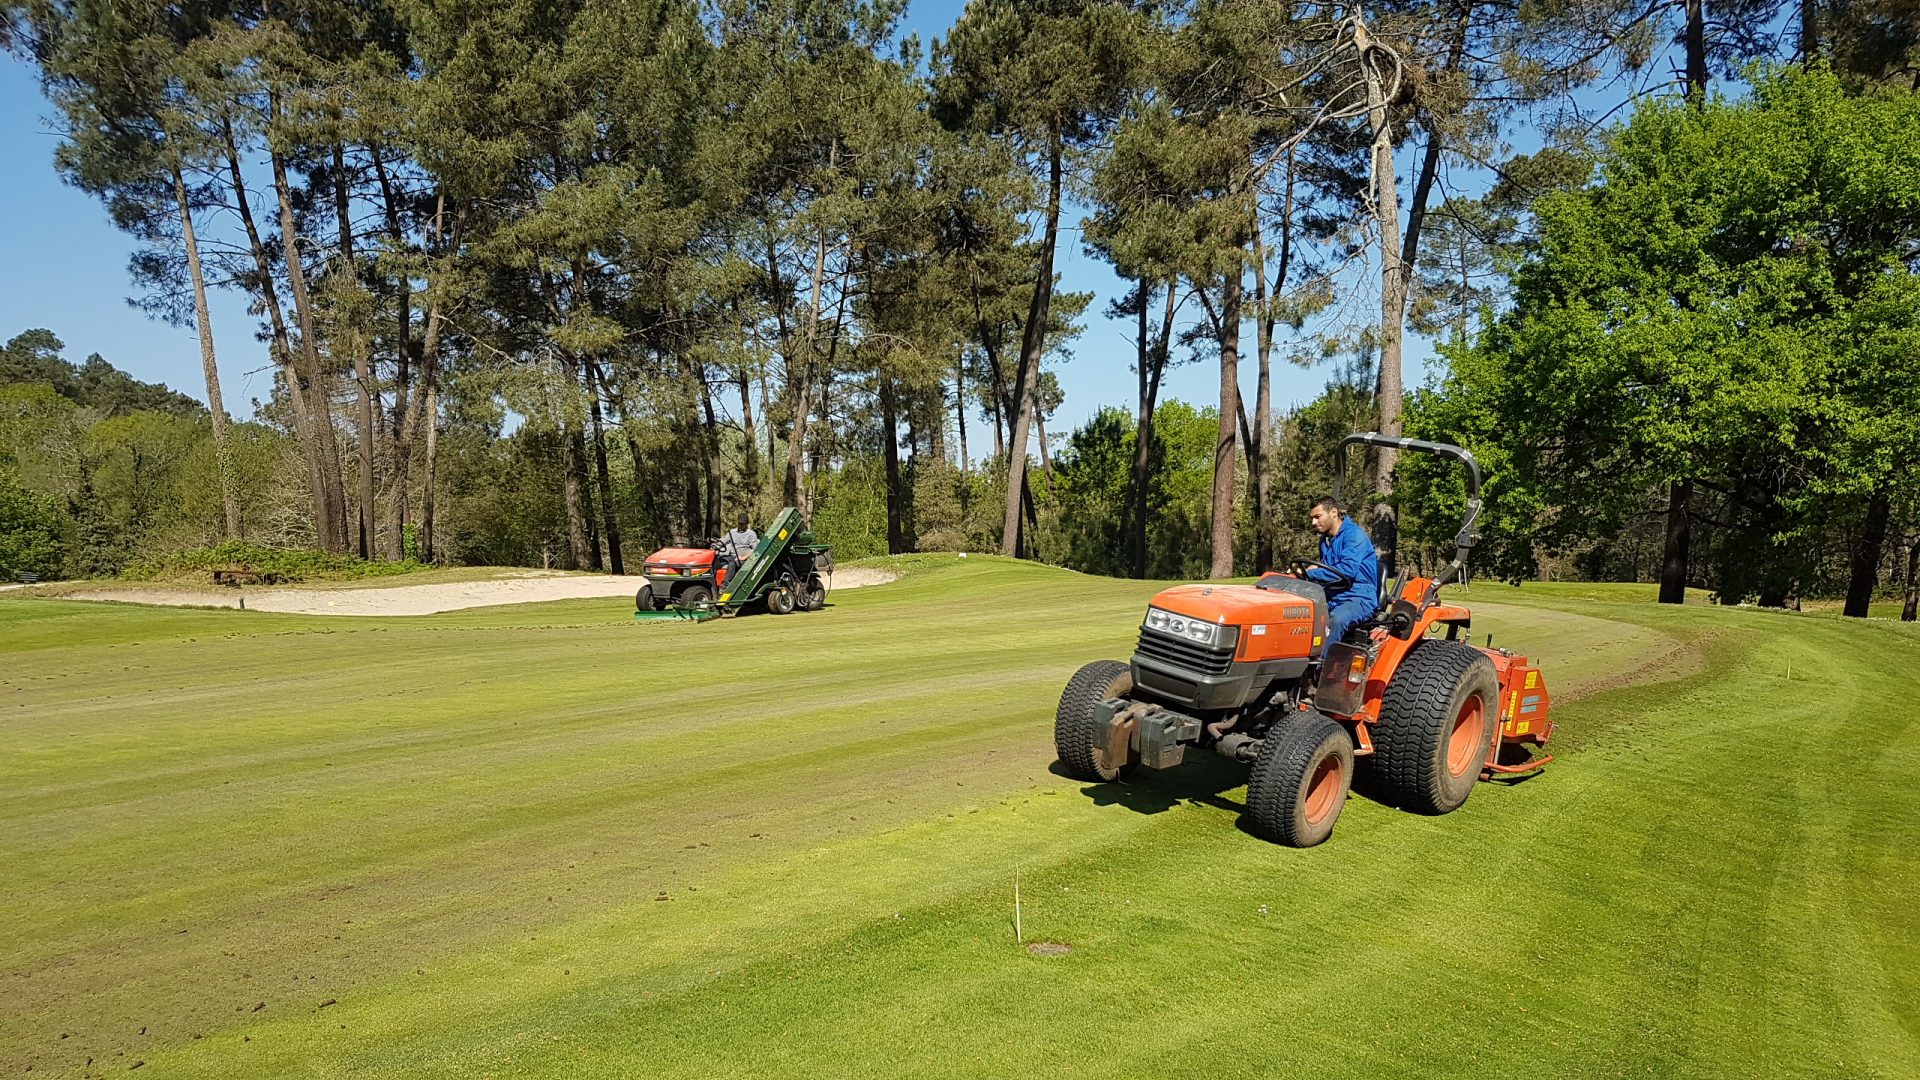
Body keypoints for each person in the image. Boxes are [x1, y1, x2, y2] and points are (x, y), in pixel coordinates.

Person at [1304, 496, 1381, 654]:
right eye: (1312, 518)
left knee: (1336, 620)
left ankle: (1321, 669)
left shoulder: (1354, 535)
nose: (1313, 522)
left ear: (1333, 512)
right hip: (1333, 594)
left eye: (1317, 517)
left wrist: (1311, 573)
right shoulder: (1325, 540)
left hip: (1359, 597)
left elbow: (1346, 570)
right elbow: (1327, 568)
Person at [720, 515, 760, 580]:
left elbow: (756, 549)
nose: (740, 525)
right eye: (739, 523)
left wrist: (744, 557)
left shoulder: (751, 534)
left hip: (743, 559)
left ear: (746, 524)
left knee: (732, 564)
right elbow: (724, 541)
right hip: (732, 556)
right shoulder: (732, 532)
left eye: (742, 524)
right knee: (718, 561)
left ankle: (725, 584)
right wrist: (715, 543)